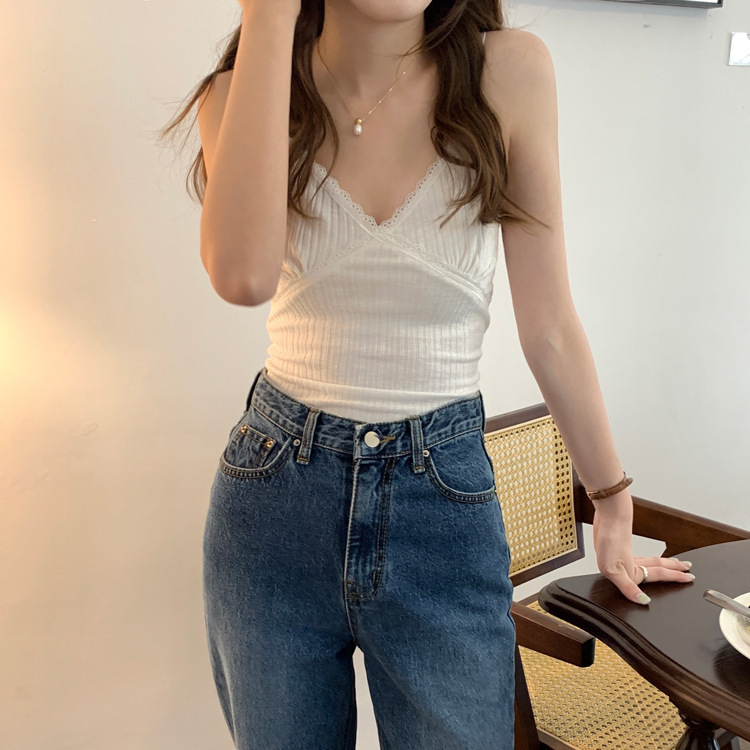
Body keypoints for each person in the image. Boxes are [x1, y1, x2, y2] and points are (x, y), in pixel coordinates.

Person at [161, 1, 696, 747]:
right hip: (275, 501)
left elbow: (549, 325)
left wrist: (612, 502)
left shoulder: (507, 71)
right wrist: (270, 20)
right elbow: (243, 277)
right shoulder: (240, 92)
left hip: (441, 500)